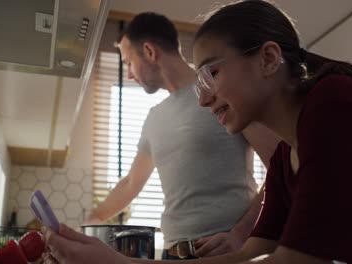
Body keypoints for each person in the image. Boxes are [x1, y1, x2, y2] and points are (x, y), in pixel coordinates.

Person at [44, 0, 352, 263]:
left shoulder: (332, 103)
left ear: (269, 59)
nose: (204, 100)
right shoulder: (288, 160)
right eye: (200, 84)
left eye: (212, 73)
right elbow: (248, 256)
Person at [82, 12, 279, 260]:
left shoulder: (223, 93)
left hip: (225, 253)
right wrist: (93, 219)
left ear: (149, 51)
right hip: (172, 254)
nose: (129, 73)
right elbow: (132, 182)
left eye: (128, 62)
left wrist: (241, 234)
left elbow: (279, 168)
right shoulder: (154, 117)